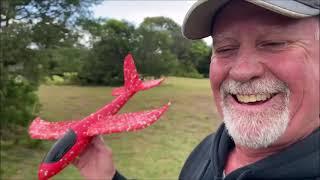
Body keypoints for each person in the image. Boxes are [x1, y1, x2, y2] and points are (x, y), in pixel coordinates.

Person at [73, 0, 320, 179]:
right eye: (224, 48)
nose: (242, 71)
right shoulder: (212, 147)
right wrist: (106, 177)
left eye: (274, 43)